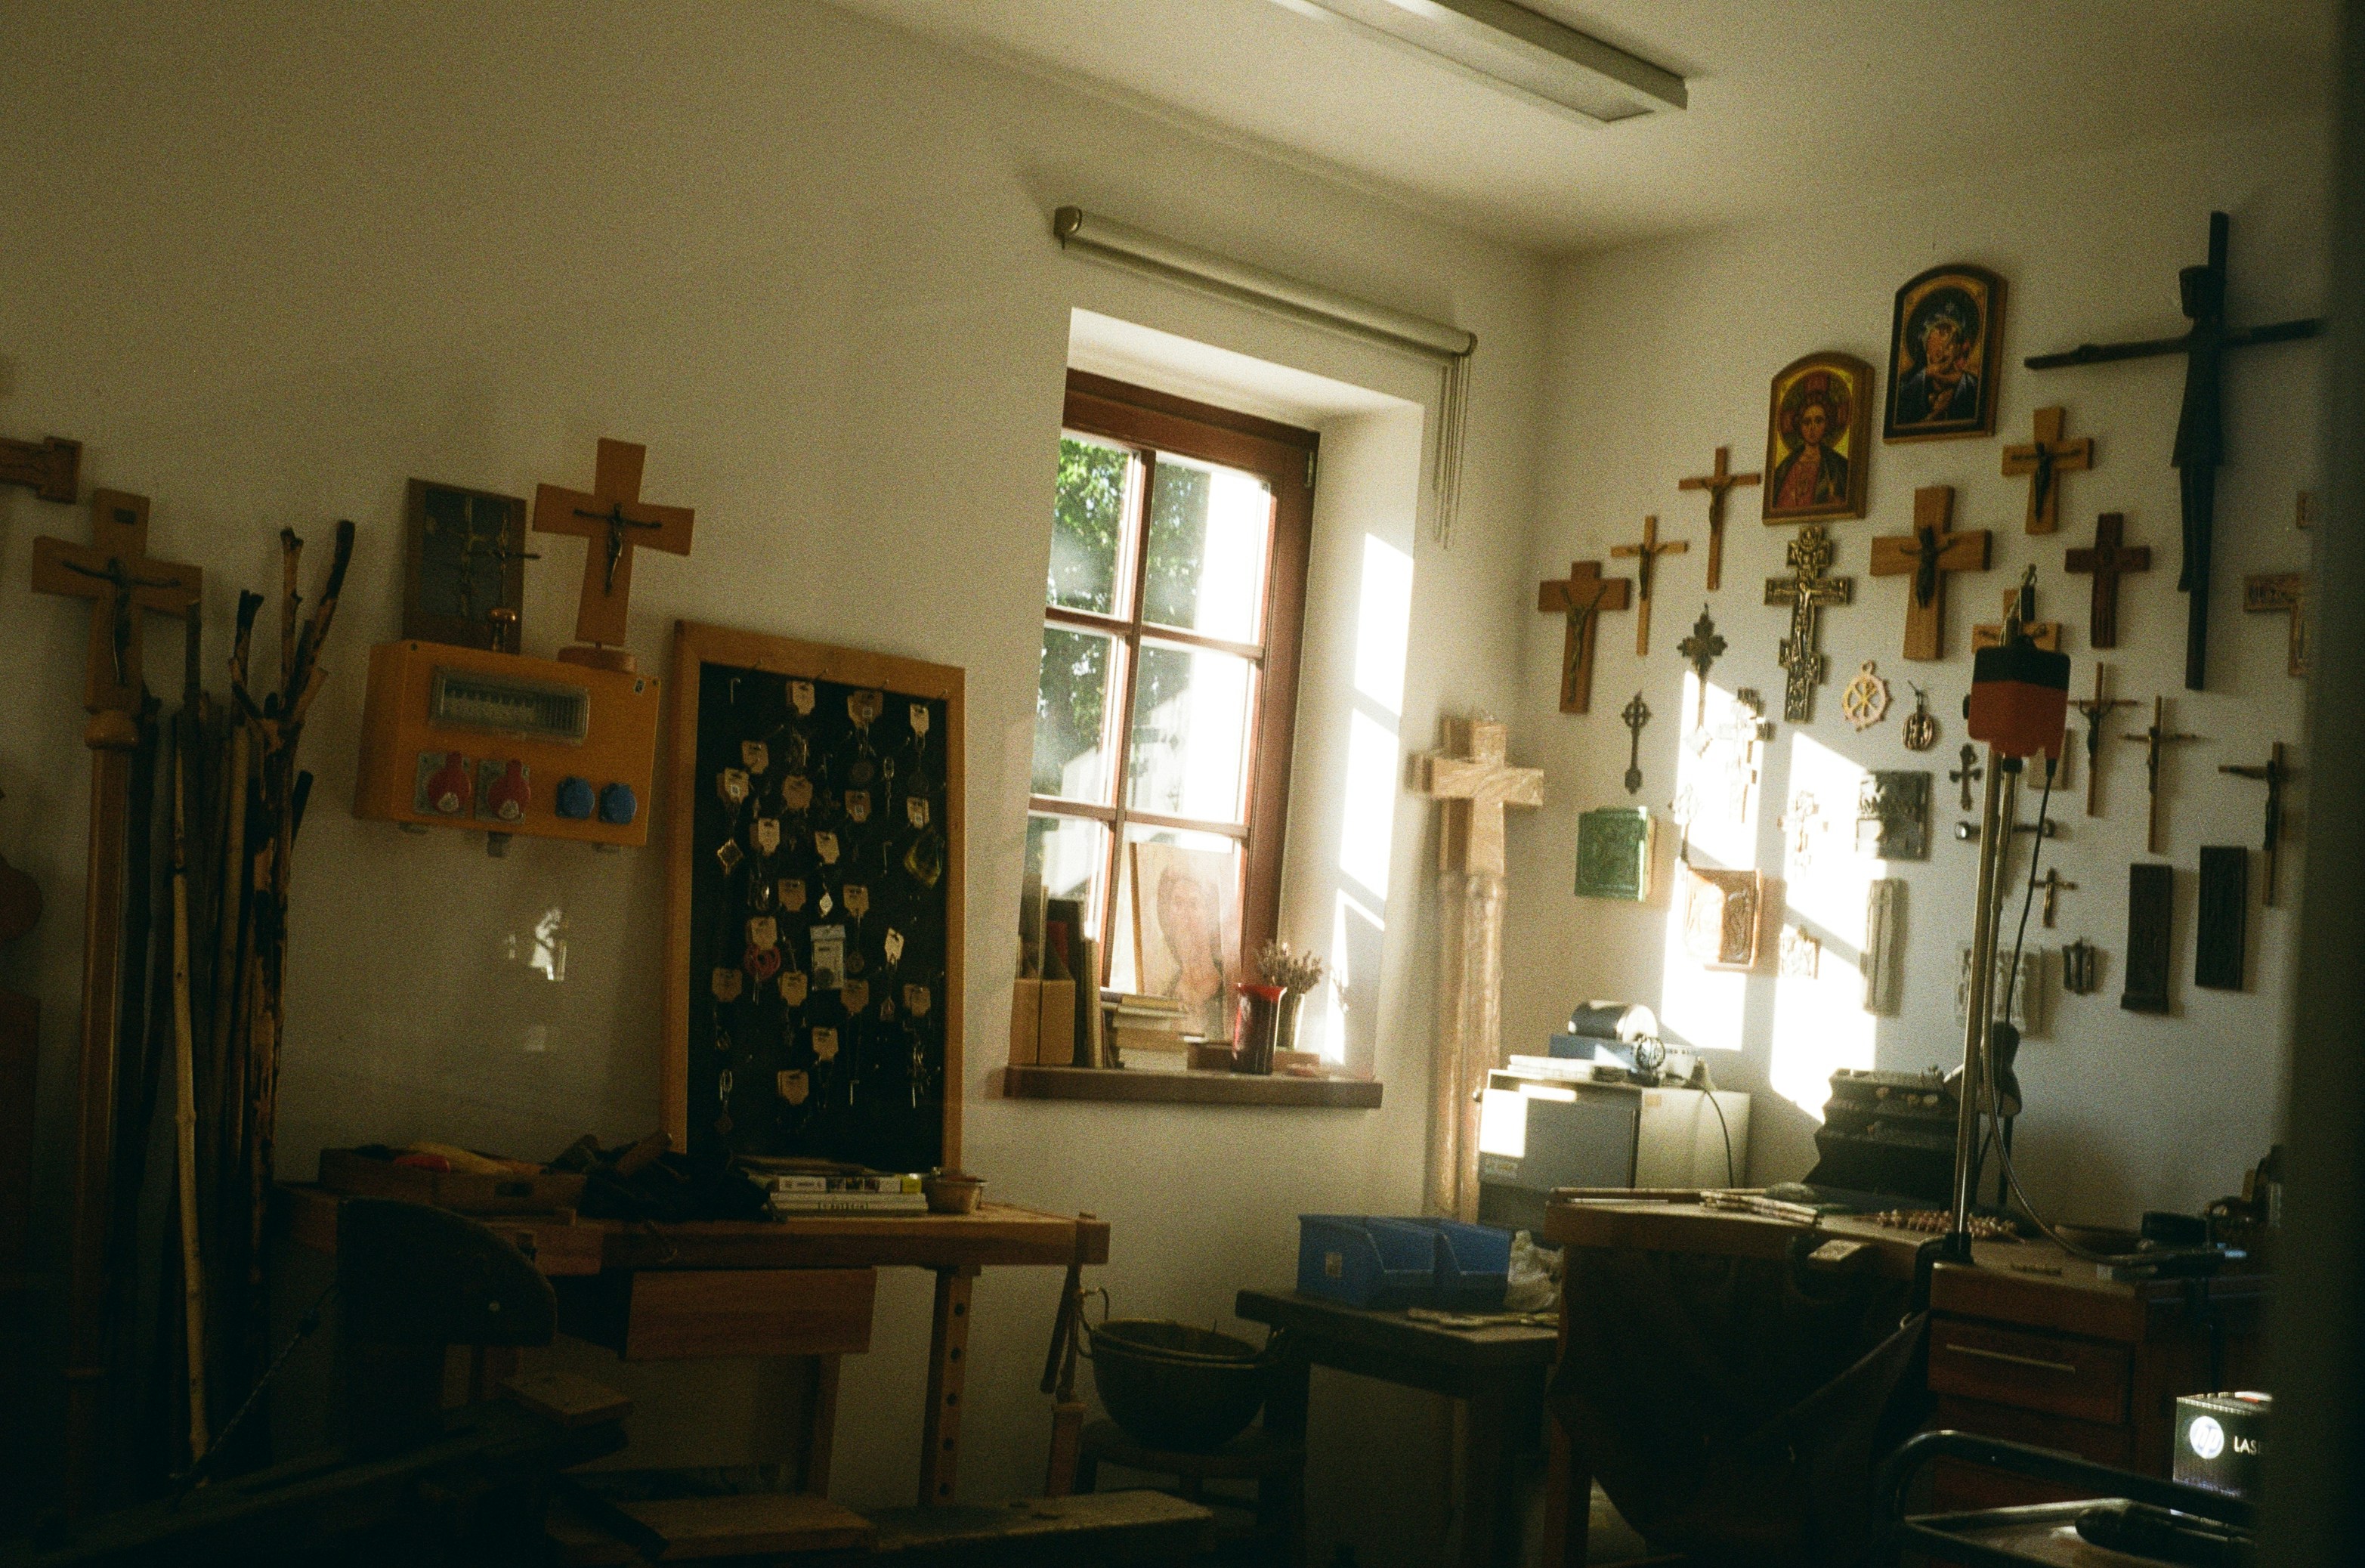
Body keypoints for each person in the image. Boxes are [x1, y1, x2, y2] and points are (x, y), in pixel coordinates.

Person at [1154, 861, 1230, 1034]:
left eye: (1194, 904)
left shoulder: (1227, 989)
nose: (1185, 914)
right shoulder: (1167, 994)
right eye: (1178, 903)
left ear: (1209, 915)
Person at [1894, 287, 1984, 427]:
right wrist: (1928, 374)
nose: (1943, 351)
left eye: (1950, 344)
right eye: (1936, 348)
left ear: (1959, 348)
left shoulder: (1970, 385)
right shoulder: (1910, 385)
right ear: (1926, 350)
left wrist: (1957, 380)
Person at [1770, 373, 1851, 512]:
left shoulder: (1837, 465)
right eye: (1806, 422)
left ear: (1827, 424)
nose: (1812, 428)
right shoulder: (1785, 467)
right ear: (1799, 425)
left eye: (1819, 421)